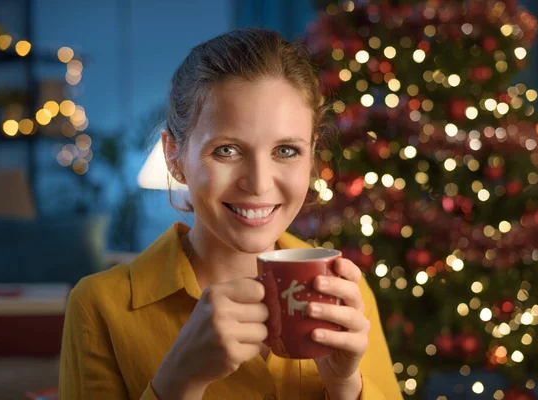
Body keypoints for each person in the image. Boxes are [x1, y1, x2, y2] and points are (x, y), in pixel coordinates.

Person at [59, 28, 402, 400]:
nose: (258, 184)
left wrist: (346, 386)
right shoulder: (98, 307)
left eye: (286, 150)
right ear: (174, 157)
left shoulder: (345, 292)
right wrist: (178, 381)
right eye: (226, 151)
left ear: (312, 154)